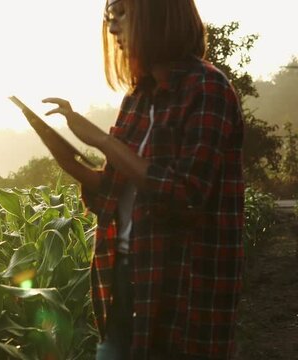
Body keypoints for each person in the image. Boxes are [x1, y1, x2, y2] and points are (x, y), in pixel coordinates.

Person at [24, 0, 244, 358]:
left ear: (160, 14)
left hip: (183, 282)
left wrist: (102, 140)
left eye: (123, 15)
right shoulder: (139, 97)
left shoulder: (208, 90)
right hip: (125, 272)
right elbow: (112, 191)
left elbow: (186, 195)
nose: (113, 30)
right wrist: (65, 153)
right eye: (112, 18)